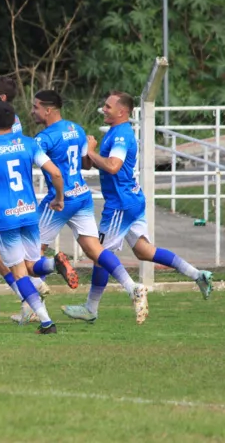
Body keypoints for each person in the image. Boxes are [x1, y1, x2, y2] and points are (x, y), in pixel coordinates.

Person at [62, 91, 213, 324]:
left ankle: (93, 307)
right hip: (132, 200)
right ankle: (198, 275)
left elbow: (112, 166)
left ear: (122, 111)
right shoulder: (115, 132)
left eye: (108, 106)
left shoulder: (121, 135)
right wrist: (89, 153)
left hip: (120, 205)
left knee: (99, 253)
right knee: (144, 251)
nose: (104, 109)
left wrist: (91, 152)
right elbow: (101, 165)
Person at [28, 90, 149, 325]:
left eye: (35, 107)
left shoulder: (43, 139)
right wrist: (89, 148)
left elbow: (45, 168)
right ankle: (132, 287)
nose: (33, 111)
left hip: (59, 200)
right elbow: (85, 164)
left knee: (30, 254)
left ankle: (34, 307)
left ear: (48, 110)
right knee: (96, 251)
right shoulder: (76, 129)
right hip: (82, 196)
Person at [0, 101, 64, 334]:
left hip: (4, 218)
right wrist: (59, 198)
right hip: (28, 213)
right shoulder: (29, 144)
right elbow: (56, 173)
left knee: (19, 272)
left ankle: (46, 322)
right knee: (30, 265)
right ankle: (53, 264)